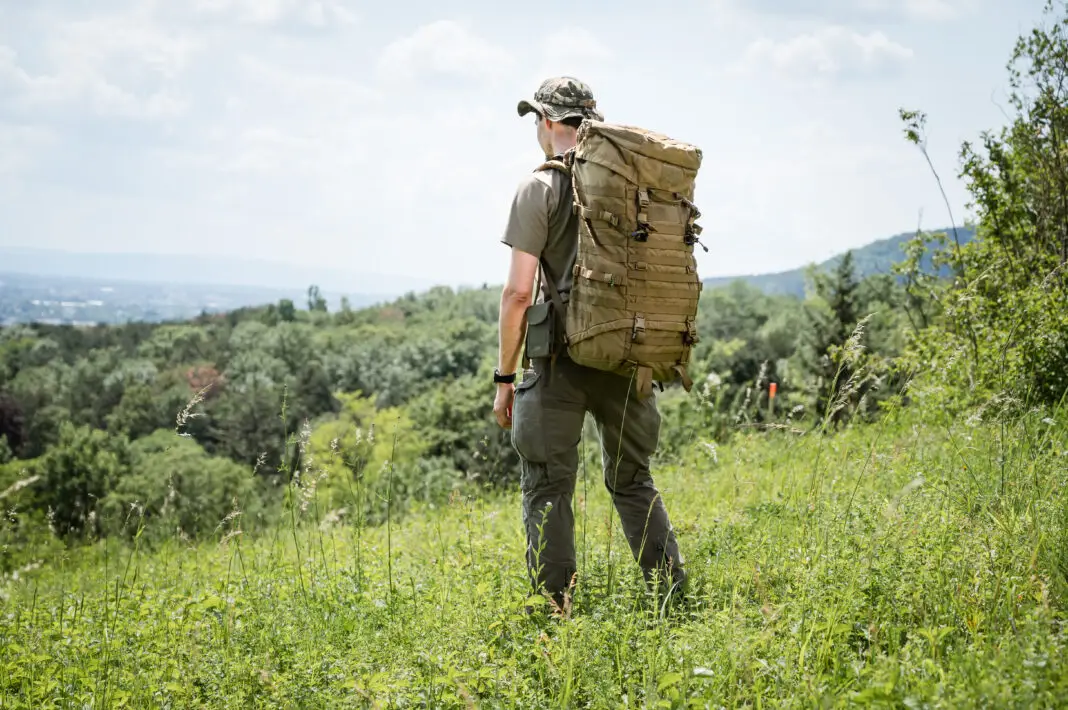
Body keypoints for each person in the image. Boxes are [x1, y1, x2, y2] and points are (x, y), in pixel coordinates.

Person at [492, 76, 687, 612]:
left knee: (549, 488)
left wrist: (505, 380)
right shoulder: (634, 187)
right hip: (628, 357)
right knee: (632, 480)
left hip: (556, 363)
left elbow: (515, 293)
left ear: (550, 122)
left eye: (537, 118)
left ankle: (555, 613)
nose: (537, 128)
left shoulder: (539, 188)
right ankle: (672, 598)